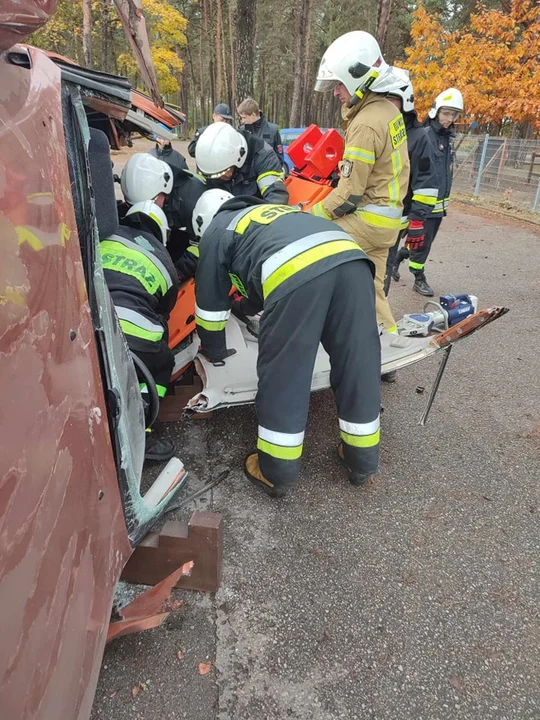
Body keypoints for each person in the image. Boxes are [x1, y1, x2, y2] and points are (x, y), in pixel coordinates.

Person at [192, 190, 381, 498]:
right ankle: (362, 460)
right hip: (351, 258)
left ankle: (275, 471)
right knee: (358, 360)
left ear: (203, 221)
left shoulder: (217, 230)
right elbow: (257, 278)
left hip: (297, 272)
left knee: (286, 372)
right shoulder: (270, 214)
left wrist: (212, 348)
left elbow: (211, 307)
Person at [311, 30, 410, 334]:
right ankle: (388, 346)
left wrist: (310, 215)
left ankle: (312, 331)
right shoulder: (386, 111)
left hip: (367, 218)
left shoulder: (365, 123)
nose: (336, 92)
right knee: (372, 289)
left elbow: (349, 193)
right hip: (387, 220)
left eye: (339, 84)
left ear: (357, 79)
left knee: (309, 250)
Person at [101, 198, 180, 462]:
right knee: (162, 363)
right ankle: (143, 431)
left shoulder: (106, 237)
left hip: (95, 324)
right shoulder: (165, 261)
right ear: (162, 232)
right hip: (136, 332)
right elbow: (163, 314)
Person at [391, 87, 464, 296]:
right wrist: (418, 210)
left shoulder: (445, 139)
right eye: (446, 113)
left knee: (422, 241)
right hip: (419, 205)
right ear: (435, 111)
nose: (449, 119)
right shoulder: (425, 136)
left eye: (453, 114)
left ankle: (398, 259)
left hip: (436, 206)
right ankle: (418, 276)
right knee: (418, 241)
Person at [384, 69, 440, 298]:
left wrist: (417, 220)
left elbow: (426, 183)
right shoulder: (378, 128)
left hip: (395, 218)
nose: (384, 105)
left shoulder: (418, 138)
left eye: (390, 99)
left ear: (404, 101)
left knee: (381, 270)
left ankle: (375, 320)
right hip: (364, 217)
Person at [121, 152, 204, 283]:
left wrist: (176, 273)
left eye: (150, 203)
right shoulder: (144, 189)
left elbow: (203, 246)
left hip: (194, 240)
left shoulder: (194, 202)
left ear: (164, 188)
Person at [195, 122, 289, 204]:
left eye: (226, 170)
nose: (225, 175)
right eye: (218, 175)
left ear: (239, 156)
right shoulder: (207, 165)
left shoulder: (263, 156)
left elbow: (276, 198)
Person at [237, 97, 284, 165]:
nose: (242, 121)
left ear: (253, 114)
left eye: (244, 117)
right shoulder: (242, 131)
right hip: (247, 174)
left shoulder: (273, 130)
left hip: (267, 172)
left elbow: (279, 158)